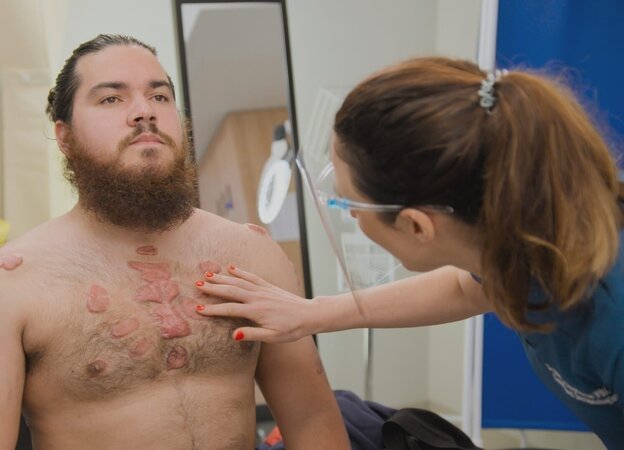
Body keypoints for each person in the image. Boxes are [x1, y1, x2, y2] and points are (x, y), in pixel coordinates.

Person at [0, 34, 349, 450]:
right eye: (111, 99)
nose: (144, 112)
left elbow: (313, 420)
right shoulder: (4, 287)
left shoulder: (250, 254)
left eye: (160, 97)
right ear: (64, 137)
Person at [195, 57, 624, 447]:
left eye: (346, 204)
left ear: (417, 225)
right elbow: (467, 288)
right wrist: (312, 312)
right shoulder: (530, 239)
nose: (350, 217)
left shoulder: (611, 317)